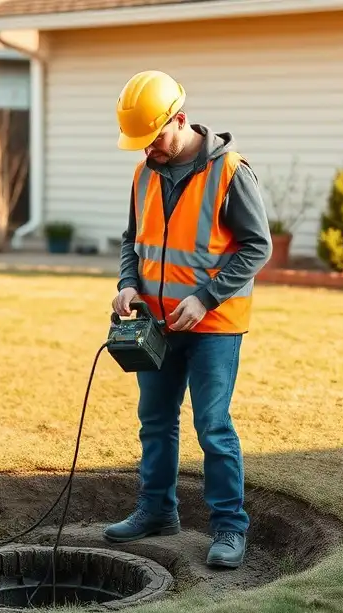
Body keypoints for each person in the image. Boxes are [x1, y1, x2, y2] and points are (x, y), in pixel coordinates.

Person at [103, 70, 272, 570]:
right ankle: (157, 511)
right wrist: (126, 283)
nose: (145, 150)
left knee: (212, 425)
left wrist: (207, 297)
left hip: (214, 327)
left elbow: (257, 247)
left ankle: (229, 528)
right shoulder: (143, 173)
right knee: (154, 421)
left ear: (179, 121)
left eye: (151, 139)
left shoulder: (232, 172)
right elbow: (133, 241)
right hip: (157, 324)